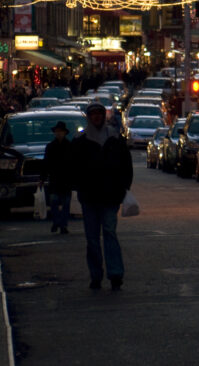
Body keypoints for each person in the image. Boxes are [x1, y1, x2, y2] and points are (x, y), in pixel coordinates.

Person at [72, 103, 132, 291]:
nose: (96, 117)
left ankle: (115, 274)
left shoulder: (115, 138)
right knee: (92, 238)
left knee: (109, 233)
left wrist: (123, 188)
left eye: (99, 113)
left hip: (110, 195)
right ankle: (96, 275)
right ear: (89, 117)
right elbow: (72, 167)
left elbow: (126, 165)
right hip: (89, 197)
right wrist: (79, 186)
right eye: (93, 114)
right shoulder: (80, 141)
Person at [41, 121, 73, 234]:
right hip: (55, 179)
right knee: (54, 203)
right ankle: (56, 222)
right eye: (57, 131)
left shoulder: (69, 146)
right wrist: (42, 178)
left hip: (66, 180)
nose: (59, 133)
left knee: (65, 204)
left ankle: (63, 224)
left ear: (64, 133)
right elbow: (46, 163)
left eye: (61, 131)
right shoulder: (50, 147)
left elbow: (74, 164)